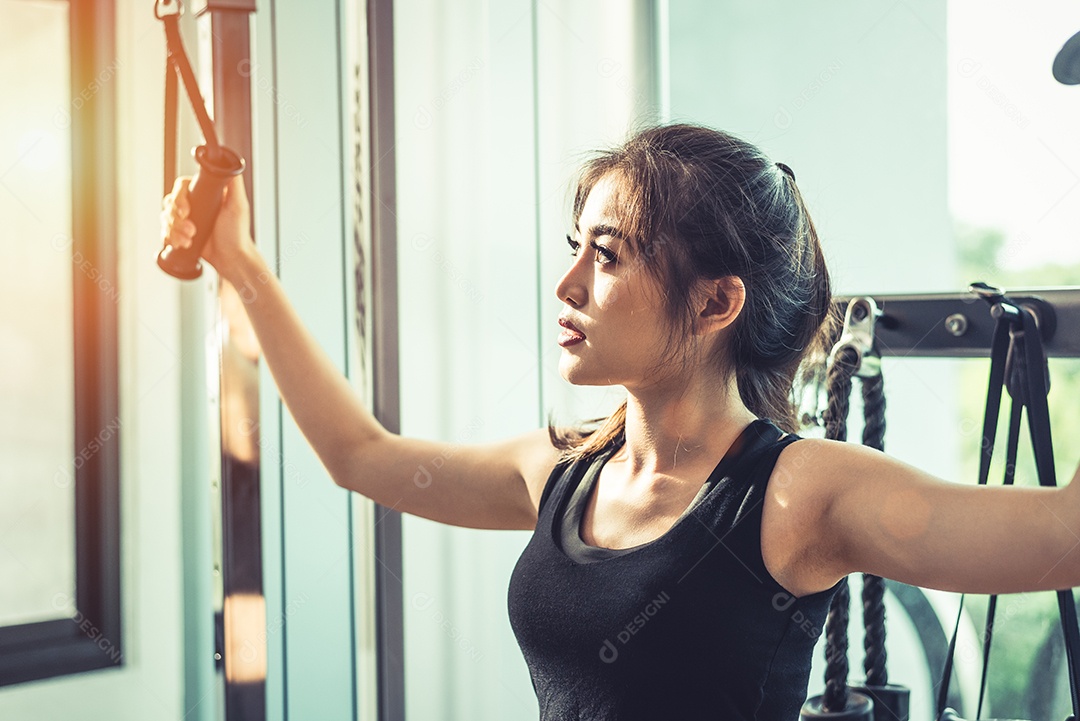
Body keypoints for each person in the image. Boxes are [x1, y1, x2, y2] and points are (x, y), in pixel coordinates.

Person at [161, 123, 1080, 721]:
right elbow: (360, 455)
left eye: (607, 255)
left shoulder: (798, 492)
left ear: (717, 299)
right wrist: (240, 262)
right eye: (575, 250)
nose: (567, 286)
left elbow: (1064, 538)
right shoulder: (565, 469)